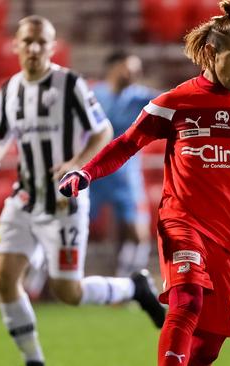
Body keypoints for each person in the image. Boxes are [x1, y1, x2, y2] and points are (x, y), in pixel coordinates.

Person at [58, 1, 230, 365]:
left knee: (209, 346)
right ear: (210, 52)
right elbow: (127, 144)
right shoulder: (176, 102)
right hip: (182, 221)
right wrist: (86, 172)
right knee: (187, 298)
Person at [0, 15, 165, 366]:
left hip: (64, 202)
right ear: (15, 45)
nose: (33, 48)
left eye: (41, 42)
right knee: (3, 277)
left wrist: (75, 162)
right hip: (25, 199)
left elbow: (102, 132)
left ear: (52, 46)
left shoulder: (71, 85)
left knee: (68, 292)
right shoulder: (9, 90)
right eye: (27, 41)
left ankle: (134, 289)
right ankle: (34, 359)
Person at [90, 51, 160, 277]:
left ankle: (128, 282)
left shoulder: (138, 96)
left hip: (125, 174)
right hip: (93, 173)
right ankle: (42, 284)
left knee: (138, 233)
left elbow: (167, 100)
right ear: (115, 67)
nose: (135, 74)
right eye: (130, 68)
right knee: (67, 226)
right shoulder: (92, 95)